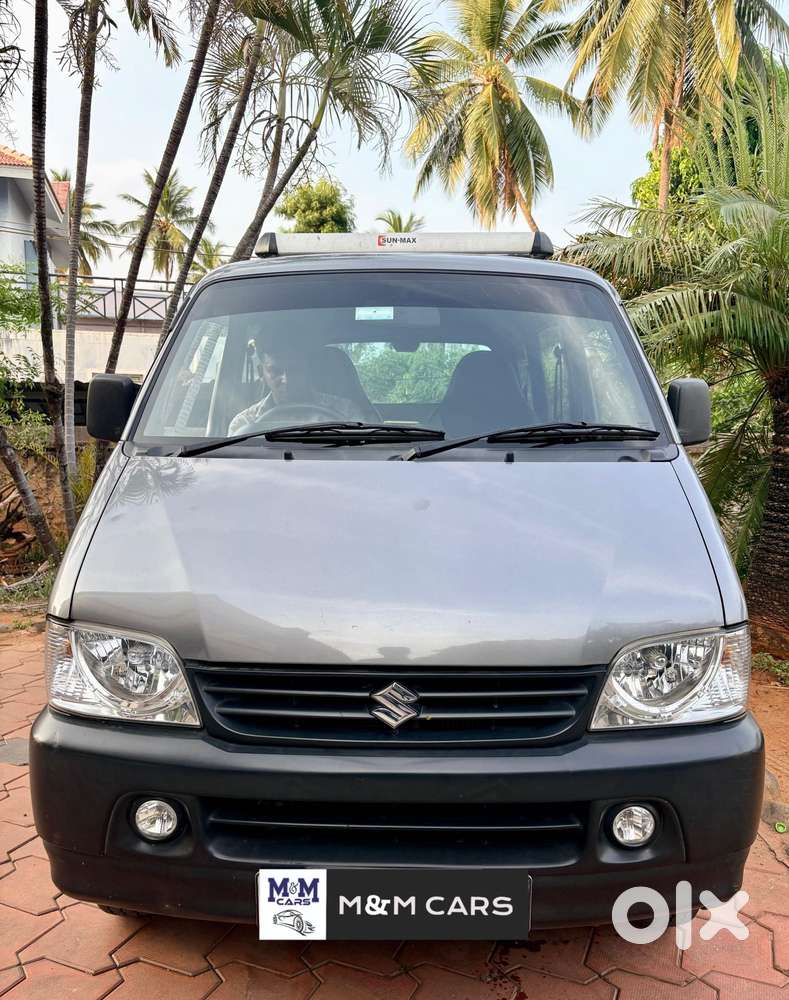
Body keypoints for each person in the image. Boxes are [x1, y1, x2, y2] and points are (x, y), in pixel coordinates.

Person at [228, 341, 365, 435]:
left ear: (308, 369)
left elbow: (364, 458)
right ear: (261, 373)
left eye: (295, 370)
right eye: (275, 371)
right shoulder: (245, 424)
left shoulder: (346, 414)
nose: (286, 379)